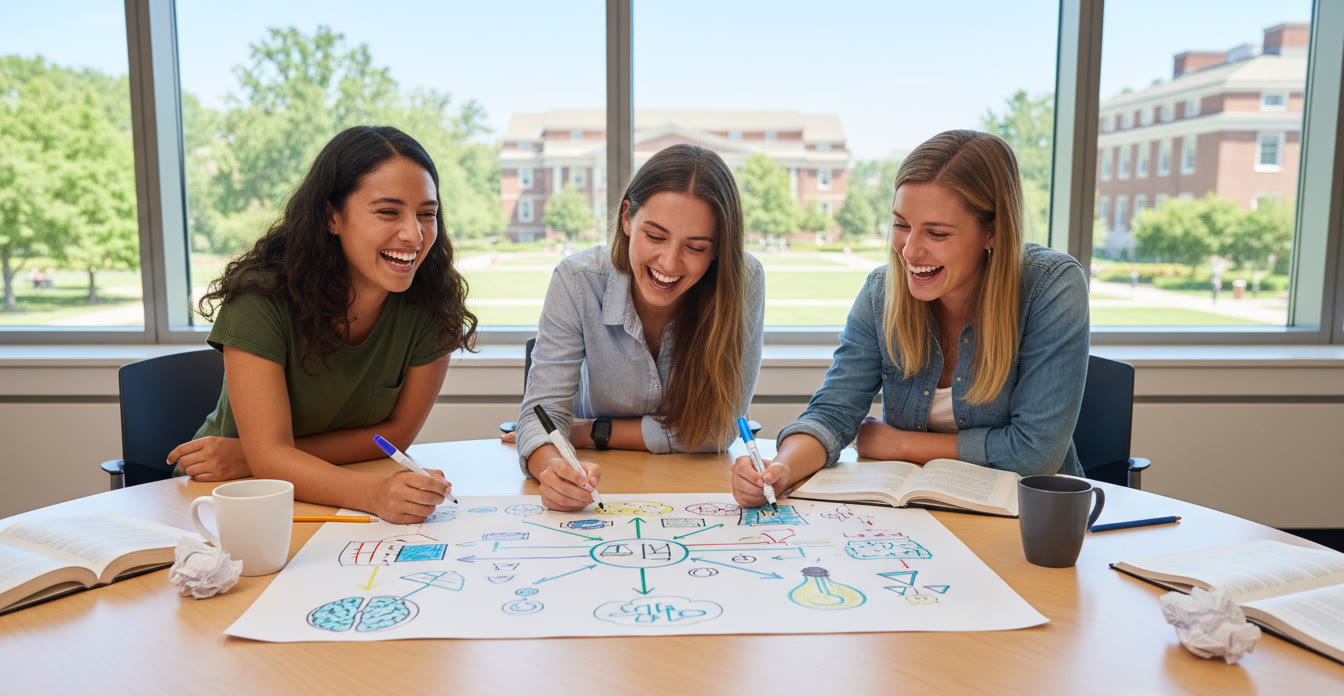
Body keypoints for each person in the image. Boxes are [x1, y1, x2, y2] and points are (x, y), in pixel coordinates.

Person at [733, 129, 1089, 508]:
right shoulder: (882, 292)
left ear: (993, 232)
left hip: (1030, 519)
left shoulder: (1052, 287)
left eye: (937, 233)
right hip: (914, 520)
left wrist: (900, 443)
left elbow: (1034, 454)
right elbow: (834, 412)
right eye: (902, 225)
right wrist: (781, 469)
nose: (909, 250)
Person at [167, 126, 478, 524]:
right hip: (222, 497)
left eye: (427, 214)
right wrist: (374, 493)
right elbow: (270, 459)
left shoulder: (433, 300)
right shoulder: (260, 297)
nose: (414, 234)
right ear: (332, 216)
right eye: (388, 212)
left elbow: (395, 436)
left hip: (300, 479)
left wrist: (254, 456)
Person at [509, 143, 765, 512]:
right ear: (627, 217)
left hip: (697, 489)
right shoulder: (577, 279)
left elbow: (717, 431)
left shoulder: (744, 279)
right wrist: (553, 468)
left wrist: (591, 431)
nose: (669, 262)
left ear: (718, 249)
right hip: (601, 487)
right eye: (656, 236)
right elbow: (540, 417)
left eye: (695, 247)